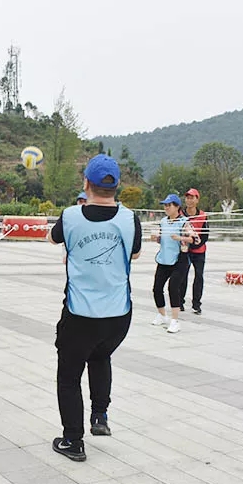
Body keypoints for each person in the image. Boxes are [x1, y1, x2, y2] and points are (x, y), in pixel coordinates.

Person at [47, 154, 141, 462]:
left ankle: (73, 441)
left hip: (80, 314)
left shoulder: (70, 216)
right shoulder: (130, 219)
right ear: (117, 186)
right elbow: (135, 254)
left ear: (86, 183)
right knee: (101, 356)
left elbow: (52, 239)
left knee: (69, 377)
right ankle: (100, 414)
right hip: (118, 315)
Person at [150, 194, 196, 334]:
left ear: (177, 207)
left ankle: (175, 320)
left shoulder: (184, 222)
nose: (166, 208)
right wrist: (156, 238)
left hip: (179, 260)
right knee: (157, 288)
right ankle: (162, 315)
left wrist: (180, 237)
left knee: (173, 287)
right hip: (164, 259)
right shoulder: (163, 221)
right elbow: (162, 238)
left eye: (169, 205)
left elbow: (194, 239)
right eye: (165, 205)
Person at [178, 188, 209, 315]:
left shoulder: (203, 215)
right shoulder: (180, 214)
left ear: (197, 200)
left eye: (192, 198)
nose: (189, 200)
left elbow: (205, 236)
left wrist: (195, 244)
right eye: (187, 198)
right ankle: (180, 302)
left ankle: (196, 304)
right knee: (182, 275)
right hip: (184, 250)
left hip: (199, 251)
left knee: (199, 276)